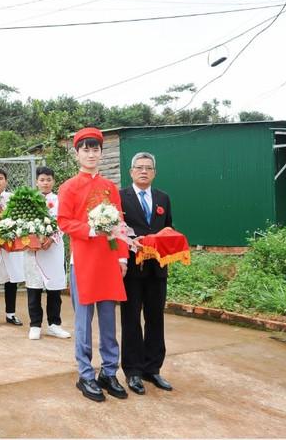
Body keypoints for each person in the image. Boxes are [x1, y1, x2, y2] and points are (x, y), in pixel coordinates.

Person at [57, 127, 129, 403]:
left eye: (95, 149)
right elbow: (63, 221)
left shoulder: (110, 188)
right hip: (84, 261)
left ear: (101, 152)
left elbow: (120, 224)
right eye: (85, 149)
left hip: (109, 261)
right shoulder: (69, 187)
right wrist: (90, 229)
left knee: (110, 321)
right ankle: (85, 374)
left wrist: (122, 257)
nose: (91, 154)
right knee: (84, 322)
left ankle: (109, 372)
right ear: (77, 154)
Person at [119, 152, 174, 394]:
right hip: (131, 269)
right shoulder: (121, 197)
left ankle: (153, 369)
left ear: (154, 172)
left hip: (157, 269)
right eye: (139, 167)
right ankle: (133, 371)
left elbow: (168, 228)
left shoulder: (163, 197)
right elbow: (116, 230)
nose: (143, 171)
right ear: (131, 172)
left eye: (148, 168)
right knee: (131, 320)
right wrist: (132, 241)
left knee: (155, 319)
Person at [24, 167, 70, 340]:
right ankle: (35, 324)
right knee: (34, 288)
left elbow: (64, 222)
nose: (45, 182)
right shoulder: (28, 200)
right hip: (33, 249)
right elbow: (22, 222)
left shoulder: (60, 200)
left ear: (54, 181)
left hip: (53, 248)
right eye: (42, 179)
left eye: (49, 179)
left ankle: (54, 324)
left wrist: (52, 239)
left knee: (54, 288)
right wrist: (33, 239)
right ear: (36, 181)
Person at [0, 168, 24, 328]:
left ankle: (10, 313)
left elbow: (19, 217)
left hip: (10, 243)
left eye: (1, 178)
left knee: (11, 279)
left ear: (6, 181)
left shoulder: (12, 198)